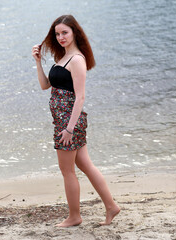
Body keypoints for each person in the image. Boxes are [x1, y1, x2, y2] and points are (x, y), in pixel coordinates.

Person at [31, 15, 120, 227]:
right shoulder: (62, 58)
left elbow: (80, 97)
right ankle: (111, 207)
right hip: (63, 121)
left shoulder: (77, 59)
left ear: (74, 33)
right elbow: (46, 86)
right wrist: (38, 63)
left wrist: (69, 129)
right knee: (85, 165)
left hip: (68, 123)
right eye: (57, 34)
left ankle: (74, 216)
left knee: (67, 171)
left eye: (65, 33)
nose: (61, 37)